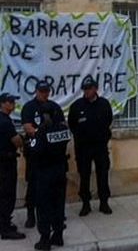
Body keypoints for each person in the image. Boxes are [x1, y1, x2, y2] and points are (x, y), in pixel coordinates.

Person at [68, 77, 113, 216]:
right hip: (83, 148)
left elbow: (108, 121)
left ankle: (104, 202)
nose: (86, 91)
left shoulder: (104, 104)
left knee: (103, 174)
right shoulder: (77, 106)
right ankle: (85, 204)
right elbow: (72, 124)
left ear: (95, 89)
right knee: (84, 175)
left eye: (89, 89)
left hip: (100, 147)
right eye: (85, 89)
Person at [21, 81, 63, 229]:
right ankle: (31, 215)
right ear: (37, 91)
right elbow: (28, 128)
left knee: (53, 187)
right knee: (33, 185)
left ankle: (54, 216)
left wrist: (44, 134)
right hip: (35, 154)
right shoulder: (29, 107)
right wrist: (43, 134)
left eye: (46, 91)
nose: (44, 94)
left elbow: (62, 128)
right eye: (42, 91)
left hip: (53, 156)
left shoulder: (55, 107)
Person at [29, 102, 70, 250]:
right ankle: (58, 235)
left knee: (44, 207)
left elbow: (34, 150)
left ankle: (45, 238)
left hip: (45, 173)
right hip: (60, 171)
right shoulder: (63, 130)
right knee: (59, 205)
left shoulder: (42, 132)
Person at [0, 93, 25, 241]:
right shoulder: (5, 122)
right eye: (9, 102)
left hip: (3, 161)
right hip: (5, 163)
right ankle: (5, 229)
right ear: (2, 104)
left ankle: (4, 224)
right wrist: (23, 139)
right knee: (7, 196)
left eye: (13, 101)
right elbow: (17, 141)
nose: (12, 104)